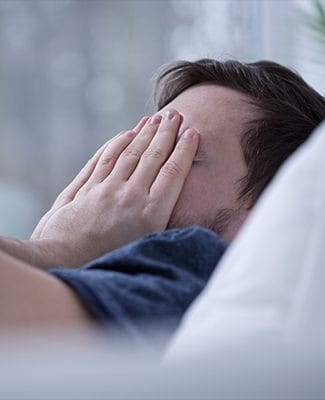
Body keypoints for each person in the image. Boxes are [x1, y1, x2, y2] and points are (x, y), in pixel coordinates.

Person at [0, 59, 324, 343]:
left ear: (270, 208)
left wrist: (59, 249)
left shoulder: (191, 270)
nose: (124, 176)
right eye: (142, 146)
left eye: (177, 151)